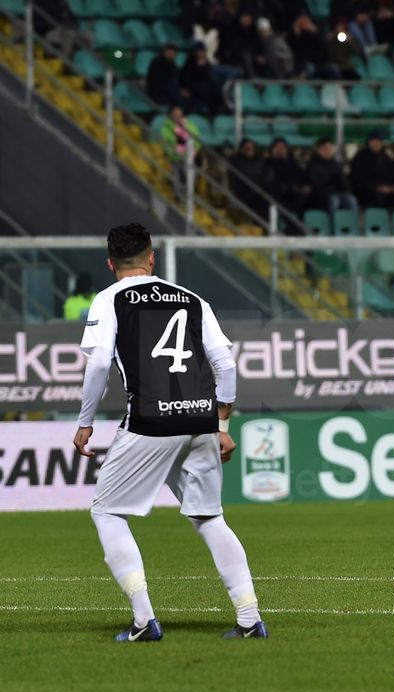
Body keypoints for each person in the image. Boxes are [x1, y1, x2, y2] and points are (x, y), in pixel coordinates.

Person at [73, 223, 267, 642]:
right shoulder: (192, 299)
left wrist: (85, 421)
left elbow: (100, 364)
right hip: (199, 419)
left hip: (150, 420)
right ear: (152, 257)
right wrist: (222, 425)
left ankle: (145, 621)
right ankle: (250, 619)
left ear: (111, 264)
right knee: (209, 516)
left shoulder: (110, 299)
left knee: (107, 512)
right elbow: (226, 366)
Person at [349, 131, 394, 208]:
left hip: (386, 189)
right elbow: (358, 179)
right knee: (379, 196)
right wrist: (377, 187)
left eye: (379, 141)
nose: (376, 143)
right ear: (369, 142)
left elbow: (393, 175)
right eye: (374, 141)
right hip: (365, 191)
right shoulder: (360, 157)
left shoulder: (386, 157)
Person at [160, 105, 202, 200]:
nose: (177, 116)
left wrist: (185, 126)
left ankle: (189, 197)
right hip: (174, 158)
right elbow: (166, 145)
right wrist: (176, 151)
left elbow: (197, 140)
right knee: (176, 173)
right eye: (175, 114)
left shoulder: (190, 125)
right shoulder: (166, 128)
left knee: (190, 174)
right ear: (171, 115)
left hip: (189, 157)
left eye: (179, 114)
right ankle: (178, 197)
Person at [306, 138, 357, 214]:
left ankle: (351, 224)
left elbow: (344, 183)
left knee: (351, 199)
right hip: (320, 195)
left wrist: (342, 182)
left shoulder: (337, 165)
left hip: (336, 192)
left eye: (330, 148)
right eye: (325, 148)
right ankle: (331, 224)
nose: (328, 150)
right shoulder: (313, 165)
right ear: (319, 150)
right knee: (334, 201)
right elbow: (314, 184)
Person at [290, 12, 342, 79]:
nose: (305, 22)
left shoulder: (315, 34)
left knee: (334, 68)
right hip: (303, 63)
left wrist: (315, 31)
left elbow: (323, 48)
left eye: (306, 19)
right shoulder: (296, 35)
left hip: (318, 63)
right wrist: (296, 29)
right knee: (310, 68)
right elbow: (293, 46)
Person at [228, 138, 270, 217]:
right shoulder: (235, 160)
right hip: (243, 191)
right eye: (246, 148)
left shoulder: (260, 160)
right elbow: (234, 178)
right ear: (241, 149)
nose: (249, 150)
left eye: (251, 147)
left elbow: (267, 175)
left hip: (260, 191)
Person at [146, 44, 185, 110]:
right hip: (157, 93)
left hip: (169, 92)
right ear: (164, 51)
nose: (171, 54)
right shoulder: (157, 62)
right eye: (169, 51)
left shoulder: (173, 65)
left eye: (173, 52)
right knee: (179, 100)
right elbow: (158, 81)